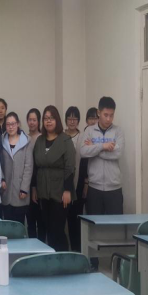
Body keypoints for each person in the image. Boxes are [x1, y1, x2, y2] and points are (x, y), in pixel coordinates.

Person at [31, 105, 76, 252]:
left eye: (51, 118)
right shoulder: (39, 141)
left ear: (57, 120)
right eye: (45, 118)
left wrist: (68, 190)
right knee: (47, 228)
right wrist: (34, 188)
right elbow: (35, 166)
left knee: (57, 230)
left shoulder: (65, 140)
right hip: (43, 192)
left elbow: (70, 167)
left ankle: (63, 258)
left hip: (60, 192)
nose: (48, 121)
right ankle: (51, 259)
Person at [80, 97, 124, 216]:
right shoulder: (89, 131)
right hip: (94, 188)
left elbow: (118, 153)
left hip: (114, 188)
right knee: (94, 224)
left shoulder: (118, 131)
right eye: (105, 115)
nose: (108, 119)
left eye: (111, 115)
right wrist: (103, 146)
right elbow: (83, 152)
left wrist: (94, 147)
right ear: (99, 113)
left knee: (115, 224)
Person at [0, 112, 33, 224]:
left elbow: (28, 167)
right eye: (8, 124)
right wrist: (2, 179)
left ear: (18, 124)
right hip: (6, 189)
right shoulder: (2, 140)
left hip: (20, 191)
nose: (10, 127)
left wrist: (24, 188)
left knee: (19, 225)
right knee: (7, 226)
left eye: (13, 124)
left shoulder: (26, 141)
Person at [64, 106, 82, 252]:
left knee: (75, 221)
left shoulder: (83, 137)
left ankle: (76, 251)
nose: (72, 121)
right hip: (63, 185)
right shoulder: (61, 136)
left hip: (78, 183)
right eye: (69, 118)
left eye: (75, 119)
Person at [26, 107, 44, 241]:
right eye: (29, 120)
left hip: (39, 184)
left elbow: (38, 165)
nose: (32, 122)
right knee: (30, 220)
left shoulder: (42, 138)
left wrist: (35, 187)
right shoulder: (24, 138)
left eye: (34, 120)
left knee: (41, 220)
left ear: (39, 122)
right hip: (26, 184)